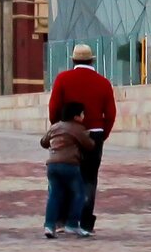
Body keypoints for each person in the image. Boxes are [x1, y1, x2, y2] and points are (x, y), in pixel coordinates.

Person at [47, 43, 117, 235]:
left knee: (63, 176)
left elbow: (54, 107)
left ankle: (61, 220)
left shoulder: (63, 79)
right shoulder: (103, 82)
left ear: (74, 60)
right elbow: (110, 114)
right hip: (94, 132)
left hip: (67, 133)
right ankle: (84, 222)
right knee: (89, 178)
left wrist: (58, 128)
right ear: (91, 60)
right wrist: (103, 134)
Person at [39, 107, 95, 239]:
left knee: (54, 195)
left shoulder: (55, 127)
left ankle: (49, 226)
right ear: (76, 116)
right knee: (79, 194)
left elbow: (43, 142)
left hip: (52, 165)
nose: (83, 116)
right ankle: (72, 224)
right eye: (82, 113)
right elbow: (89, 145)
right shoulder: (78, 128)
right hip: (69, 165)